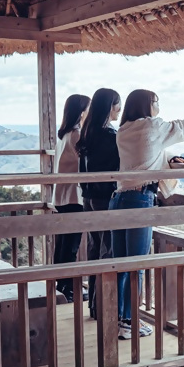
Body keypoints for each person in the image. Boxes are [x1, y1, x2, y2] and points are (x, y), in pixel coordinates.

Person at [110, 89, 184, 340]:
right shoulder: (152, 127)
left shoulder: (124, 130)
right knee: (138, 265)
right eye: (156, 102)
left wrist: (167, 156)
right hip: (139, 200)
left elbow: (146, 152)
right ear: (147, 105)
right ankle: (129, 323)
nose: (159, 106)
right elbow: (180, 128)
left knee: (121, 265)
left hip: (119, 198)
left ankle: (119, 320)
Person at [76, 88, 121, 320]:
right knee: (107, 251)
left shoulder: (87, 133)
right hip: (105, 198)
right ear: (110, 107)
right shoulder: (111, 137)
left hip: (88, 197)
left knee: (95, 249)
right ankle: (103, 307)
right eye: (118, 105)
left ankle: (94, 305)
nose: (120, 110)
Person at [53, 94, 90, 303]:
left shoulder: (65, 135)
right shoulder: (77, 135)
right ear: (82, 111)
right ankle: (67, 289)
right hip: (74, 196)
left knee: (63, 243)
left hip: (62, 195)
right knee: (71, 244)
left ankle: (61, 286)